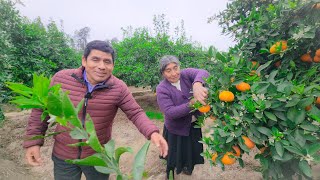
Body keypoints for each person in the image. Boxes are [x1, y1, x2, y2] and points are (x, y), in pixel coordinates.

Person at [23, 40, 168, 180]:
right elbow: (41, 109)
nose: (101, 66)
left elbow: (135, 113)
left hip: (98, 155)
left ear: (113, 65)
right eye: (95, 59)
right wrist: (33, 142)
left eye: (107, 61)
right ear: (84, 61)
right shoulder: (61, 79)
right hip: (64, 154)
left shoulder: (118, 87)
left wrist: (152, 132)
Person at [156, 55, 209, 179]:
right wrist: (191, 104)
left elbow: (204, 72)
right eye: (168, 70)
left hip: (193, 124)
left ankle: (188, 167)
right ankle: (172, 171)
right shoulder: (162, 89)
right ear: (163, 73)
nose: (174, 73)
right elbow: (170, 112)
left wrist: (197, 84)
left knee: (191, 150)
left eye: (175, 68)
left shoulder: (186, 74)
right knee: (175, 153)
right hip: (176, 128)